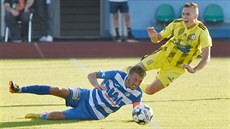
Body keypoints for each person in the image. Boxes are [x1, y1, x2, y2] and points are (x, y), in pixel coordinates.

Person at [128, 2, 212, 95]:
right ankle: (126, 73)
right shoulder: (176, 23)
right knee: (135, 70)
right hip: (162, 55)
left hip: (176, 68)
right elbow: (157, 39)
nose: (185, 17)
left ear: (196, 15)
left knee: (150, 91)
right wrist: (153, 36)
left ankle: (135, 83)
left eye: (188, 14)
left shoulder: (202, 31)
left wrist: (195, 69)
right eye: (183, 14)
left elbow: (206, 56)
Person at [9, 65, 146, 120]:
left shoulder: (137, 94)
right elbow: (92, 75)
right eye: (135, 79)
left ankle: (40, 115)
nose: (136, 83)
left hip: (91, 113)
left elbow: (137, 112)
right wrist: (96, 85)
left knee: (54, 117)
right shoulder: (117, 75)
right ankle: (19, 89)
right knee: (57, 90)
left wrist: (141, 117)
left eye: (139, 81)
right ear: (129, 75)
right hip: (85, 95)